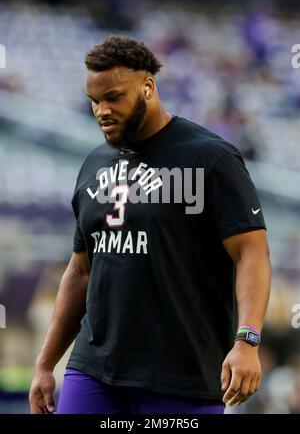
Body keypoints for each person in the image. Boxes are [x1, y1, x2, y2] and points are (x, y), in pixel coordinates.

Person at [29, 36, 271, 415]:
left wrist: (248, 340)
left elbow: (251, 254)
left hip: (183, 373)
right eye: (94, 101)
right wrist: (45, 364)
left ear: (148, 87)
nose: (101, 111)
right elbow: (79, 271)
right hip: (94, 369)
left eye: (113, 97)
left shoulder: (211, 157)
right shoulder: (94, 163)